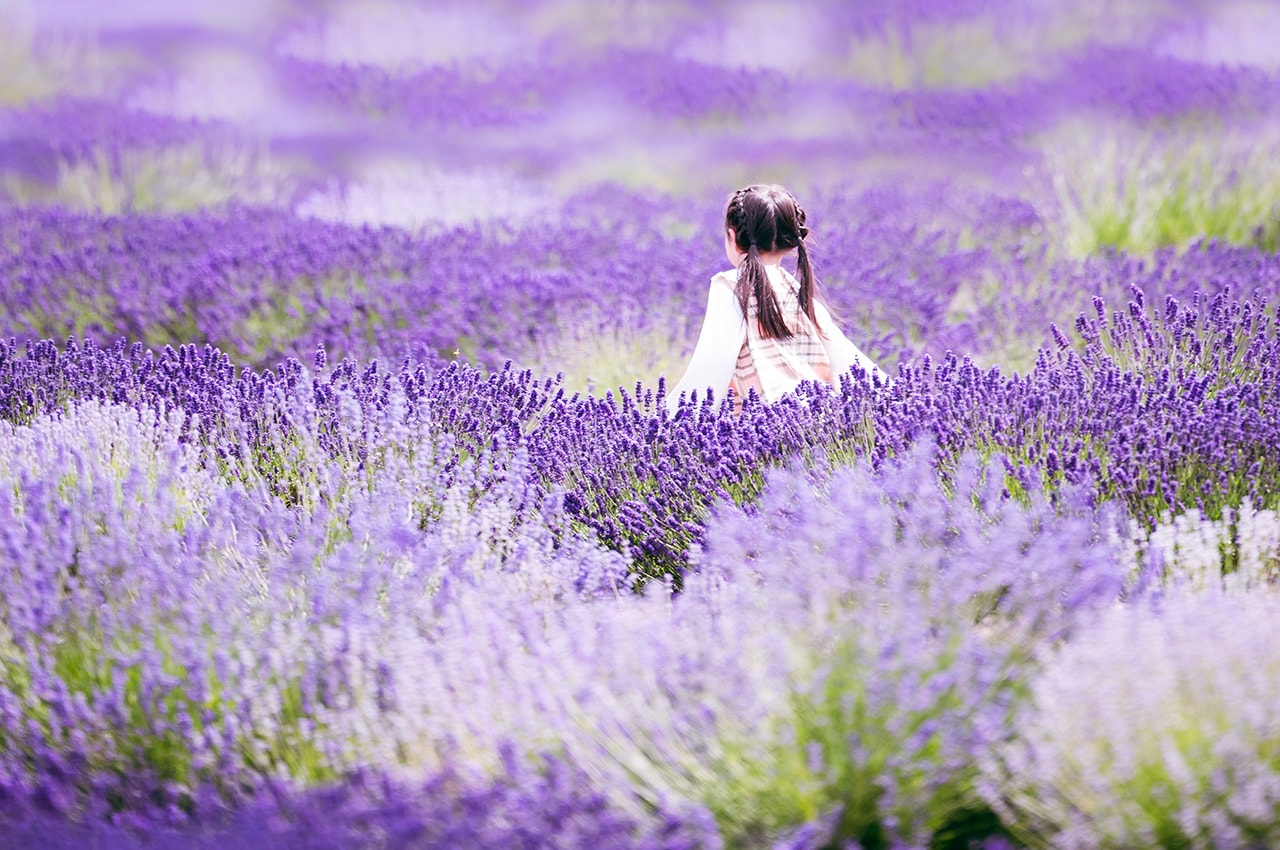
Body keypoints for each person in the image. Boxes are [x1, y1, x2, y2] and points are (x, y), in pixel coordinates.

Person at [664, 184, 885, 414]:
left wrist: (665, 423)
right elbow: (848, 360)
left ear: (732, 237)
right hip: (820, 421)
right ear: (789, 242)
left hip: (766, 429)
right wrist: (900, 399)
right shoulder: (797, 292)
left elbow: (711, 366)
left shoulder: (730, 287)